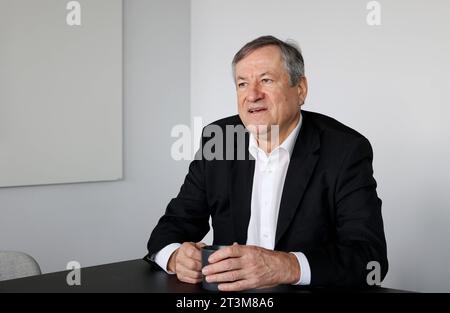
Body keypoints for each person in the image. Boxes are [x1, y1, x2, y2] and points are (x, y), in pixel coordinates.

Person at [145, 35, 388, 290]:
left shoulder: (345, 150)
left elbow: (370, 260)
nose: (252, 95)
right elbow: (171, 228)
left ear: (300, 89)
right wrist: (175, 257)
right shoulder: (220, 140)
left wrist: (285, 266)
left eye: (266, 80)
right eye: (242, 84)